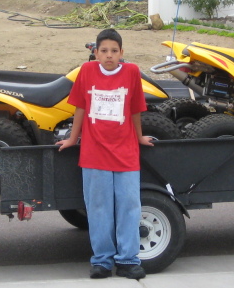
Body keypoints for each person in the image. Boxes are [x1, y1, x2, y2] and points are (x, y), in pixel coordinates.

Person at [56, 28, 154, 280]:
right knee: (98, 207)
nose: (109, 56)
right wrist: (72, 139)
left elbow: (135, 109)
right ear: (96, 53)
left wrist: (140, 136)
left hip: (126, 152)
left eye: (114, 51)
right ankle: (101, 260)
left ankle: (128, 260)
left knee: (129, 205)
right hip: (94, 152)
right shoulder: (86, 72)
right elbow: (80, 107)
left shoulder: (131, 72)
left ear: (122, 53)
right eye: (104, 51)